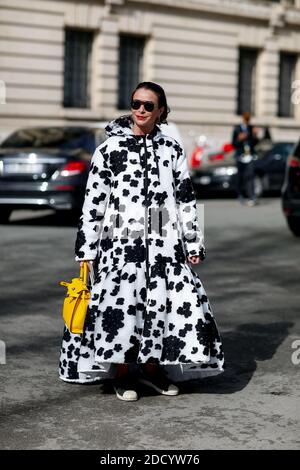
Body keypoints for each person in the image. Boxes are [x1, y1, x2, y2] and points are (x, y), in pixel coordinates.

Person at [59, 81, 225, 401]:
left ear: (161, 111)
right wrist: (86, 248)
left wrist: (193, 242)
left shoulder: (171, 149)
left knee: (160, 308)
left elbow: (185, 199)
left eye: (149, 106)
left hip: (163, 241)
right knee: (121, 311)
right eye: (136, 103)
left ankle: (151, 369)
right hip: (120, 241)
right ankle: (122, 373)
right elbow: (94, 201)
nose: (140, 110)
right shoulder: (110, 149)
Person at [232, 111, 259, 206]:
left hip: (250, 156)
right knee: (240, 176)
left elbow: (255, 143)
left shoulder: (251, 128)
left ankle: (252, 196)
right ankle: (240, 195)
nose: (247, 121)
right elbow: (233, 144)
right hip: (240, 156)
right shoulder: (237, 129)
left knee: (250, 176)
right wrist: (239, 139)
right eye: (246, 119)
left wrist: (255, 135)